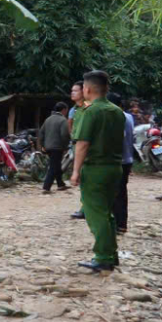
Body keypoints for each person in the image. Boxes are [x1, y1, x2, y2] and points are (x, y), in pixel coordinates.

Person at [70, 70, 126, 272]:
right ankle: (111, 255)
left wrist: (75, 171)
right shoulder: (117, 111)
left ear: (88, 89)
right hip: (115, 167)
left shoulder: (90, 111)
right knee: (107, 213)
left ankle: (102, 257)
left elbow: (82, 143)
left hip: (96, 168)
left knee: (96, 215)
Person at [108, 92, 134, 234]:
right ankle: (121, 224)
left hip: (118, 160)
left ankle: (118, 224)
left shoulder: (116, 117)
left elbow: (118, 139)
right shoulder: (129, 117)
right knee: (121, 193)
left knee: (116, 194)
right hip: (127, 159)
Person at [39, 101, 71, 193]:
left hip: (48, 147)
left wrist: (43, 145)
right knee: (53, 167)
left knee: (56, 165)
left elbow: (41, 134)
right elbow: (64, 134)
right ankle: (46, 187)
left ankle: (60, 184)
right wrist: (66, 145)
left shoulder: (48, 119)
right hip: (57, 147)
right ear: (64, 110)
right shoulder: (63, 120)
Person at [69, 81, 87, 220]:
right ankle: (85, 207)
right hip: (77, 144)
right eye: (72, 90)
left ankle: (86, 208)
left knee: (86, 177)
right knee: (82, 178)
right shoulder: (75, 109)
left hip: (86, 146)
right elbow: (70, 125)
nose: (72, 93)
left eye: (75, 90)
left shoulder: (88, 109)